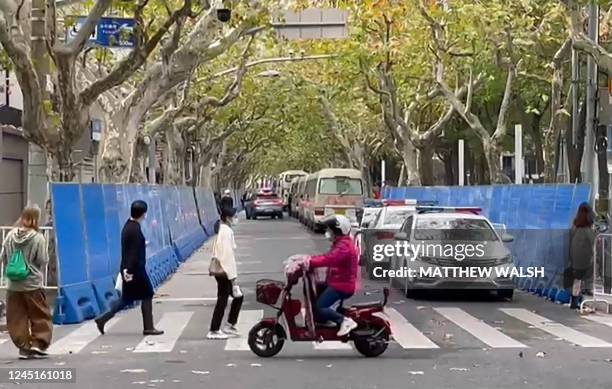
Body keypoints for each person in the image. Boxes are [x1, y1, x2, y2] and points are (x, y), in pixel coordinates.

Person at [95, 200, 163, 336]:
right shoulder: (135, 229)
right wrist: (129, 270)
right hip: (135, 270)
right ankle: (148, 327)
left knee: (126, 299)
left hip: (130, 269)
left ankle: (103, 318)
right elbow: (132, 252)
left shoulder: (128, 226)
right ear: (142, 214)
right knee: (147, 293)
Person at [1, 206, 52, 359]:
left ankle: (24, 347)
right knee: (40, 314)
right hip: (32, 284)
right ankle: (38, 344)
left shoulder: (10, 235)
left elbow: (3, 256)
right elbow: (42, 259)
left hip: (14, 285)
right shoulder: (38, 238)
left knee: (17, 317)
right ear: (36, 219)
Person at [308, 214, 359, 336]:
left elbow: (329, 259)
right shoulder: (341, 243)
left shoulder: (344, 246)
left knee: (320, 308)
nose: (327, 232)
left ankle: (344, 321)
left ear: (337, 230)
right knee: (318, 297)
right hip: (337, 283)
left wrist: (309, 261)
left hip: (342, 286)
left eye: (329, 229)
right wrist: (308, 259)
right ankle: (326, 322)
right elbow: (326, 257)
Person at [207, 207, 243, 340]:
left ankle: (229, 324)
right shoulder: (226, 232)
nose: (236, 218)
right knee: (223, 299)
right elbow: (227, 257)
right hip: (224, 271)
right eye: (235, 216)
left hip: (223, 271)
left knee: (236, 297)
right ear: (228, 218)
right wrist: (233, 278)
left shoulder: (224, 230)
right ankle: (215, 329)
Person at [568, 202, 596, 309]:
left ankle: (574, 299)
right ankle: (586, 293)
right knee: (589, 273)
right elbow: (594, 240)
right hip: (585, 256)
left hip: (574, 256)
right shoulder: (588, 229)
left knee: (577, 279)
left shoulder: (575, 226)